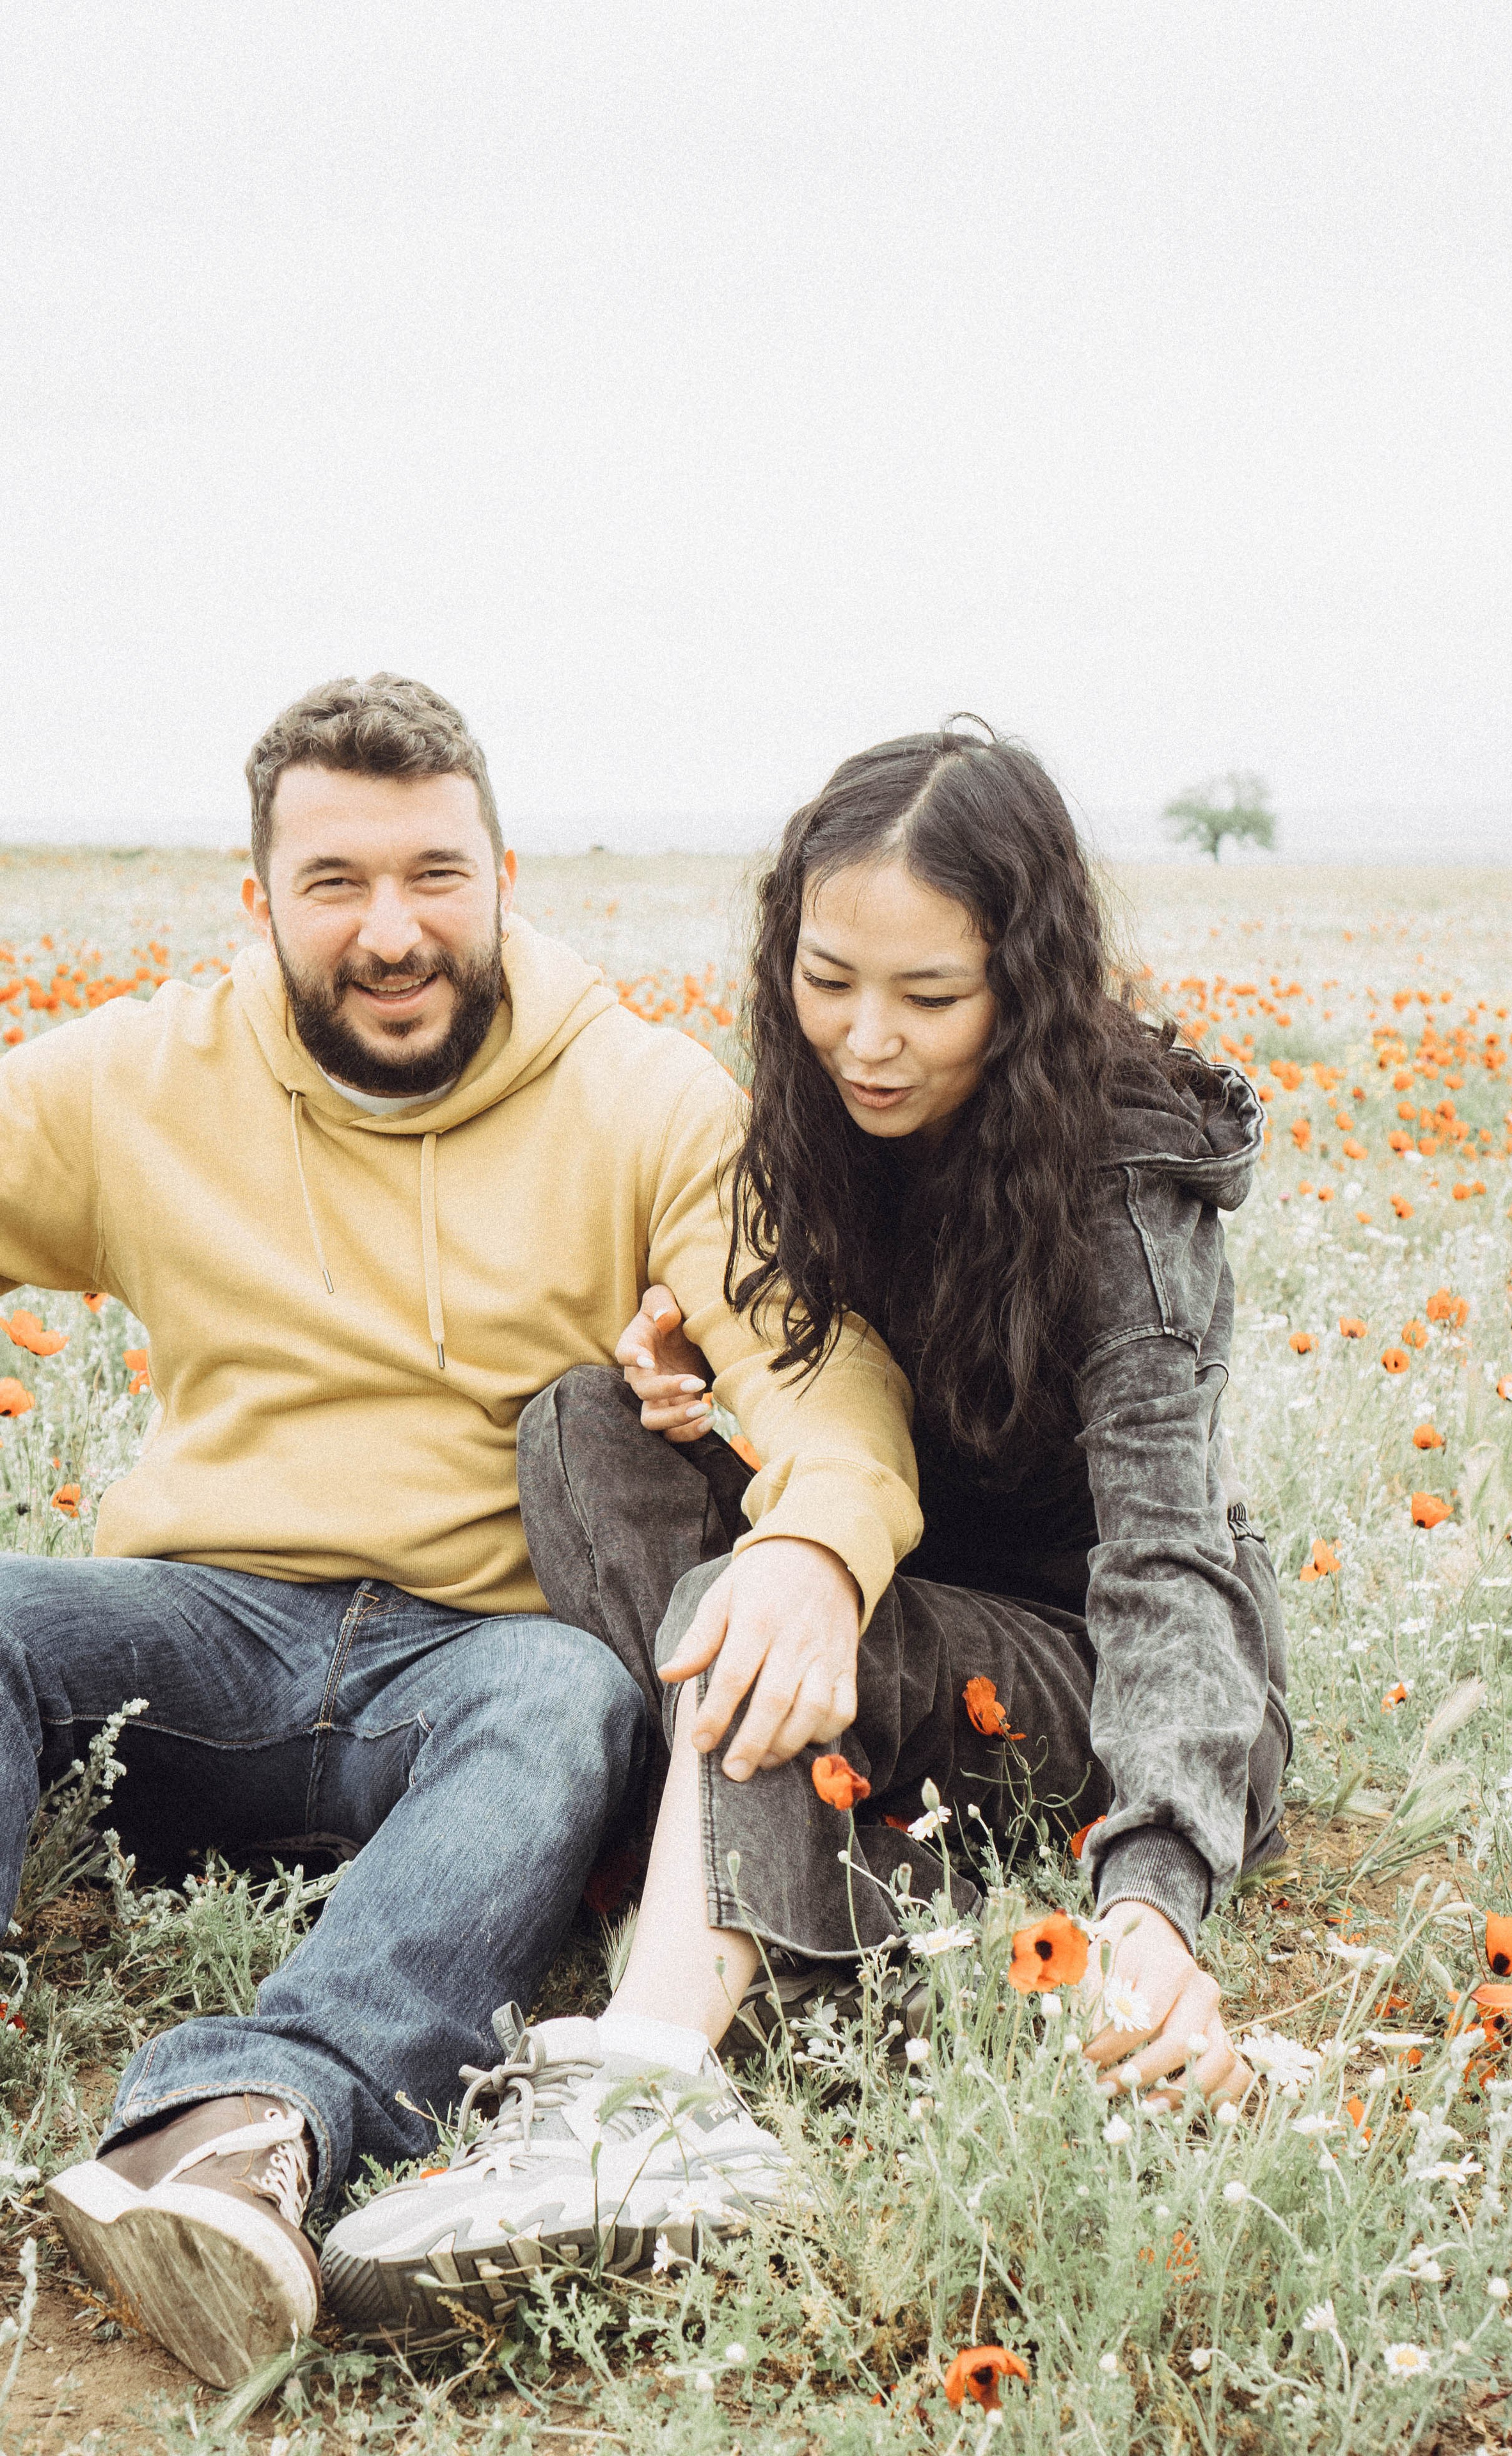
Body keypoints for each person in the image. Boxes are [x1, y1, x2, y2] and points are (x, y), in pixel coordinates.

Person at [323, 722, 1290, 2344]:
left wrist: (1150, 1889)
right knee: (584, 1423)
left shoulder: (1123, 1175)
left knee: (749, 1598)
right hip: (889, 1595)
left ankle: (645, 2092)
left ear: (1027, 982)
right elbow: (828, 1394)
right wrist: (712, 1398)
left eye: (931, 998)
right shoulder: (811, 1113)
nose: (867, 1040)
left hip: (1074, 1659)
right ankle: (761, 1855)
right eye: (828, 981)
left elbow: (1165, 1557)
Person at [6, 675, 919, 2388]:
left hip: (478, 1667)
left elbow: (824, 1372)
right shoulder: (140, 1077)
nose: (393, 928)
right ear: (259, 897)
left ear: (505, 875)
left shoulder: (644, 1101)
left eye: (434, 874)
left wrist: (813, 1548)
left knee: (573, 1692)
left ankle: (240, 2130)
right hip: (200, 1636)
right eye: (338, 881)